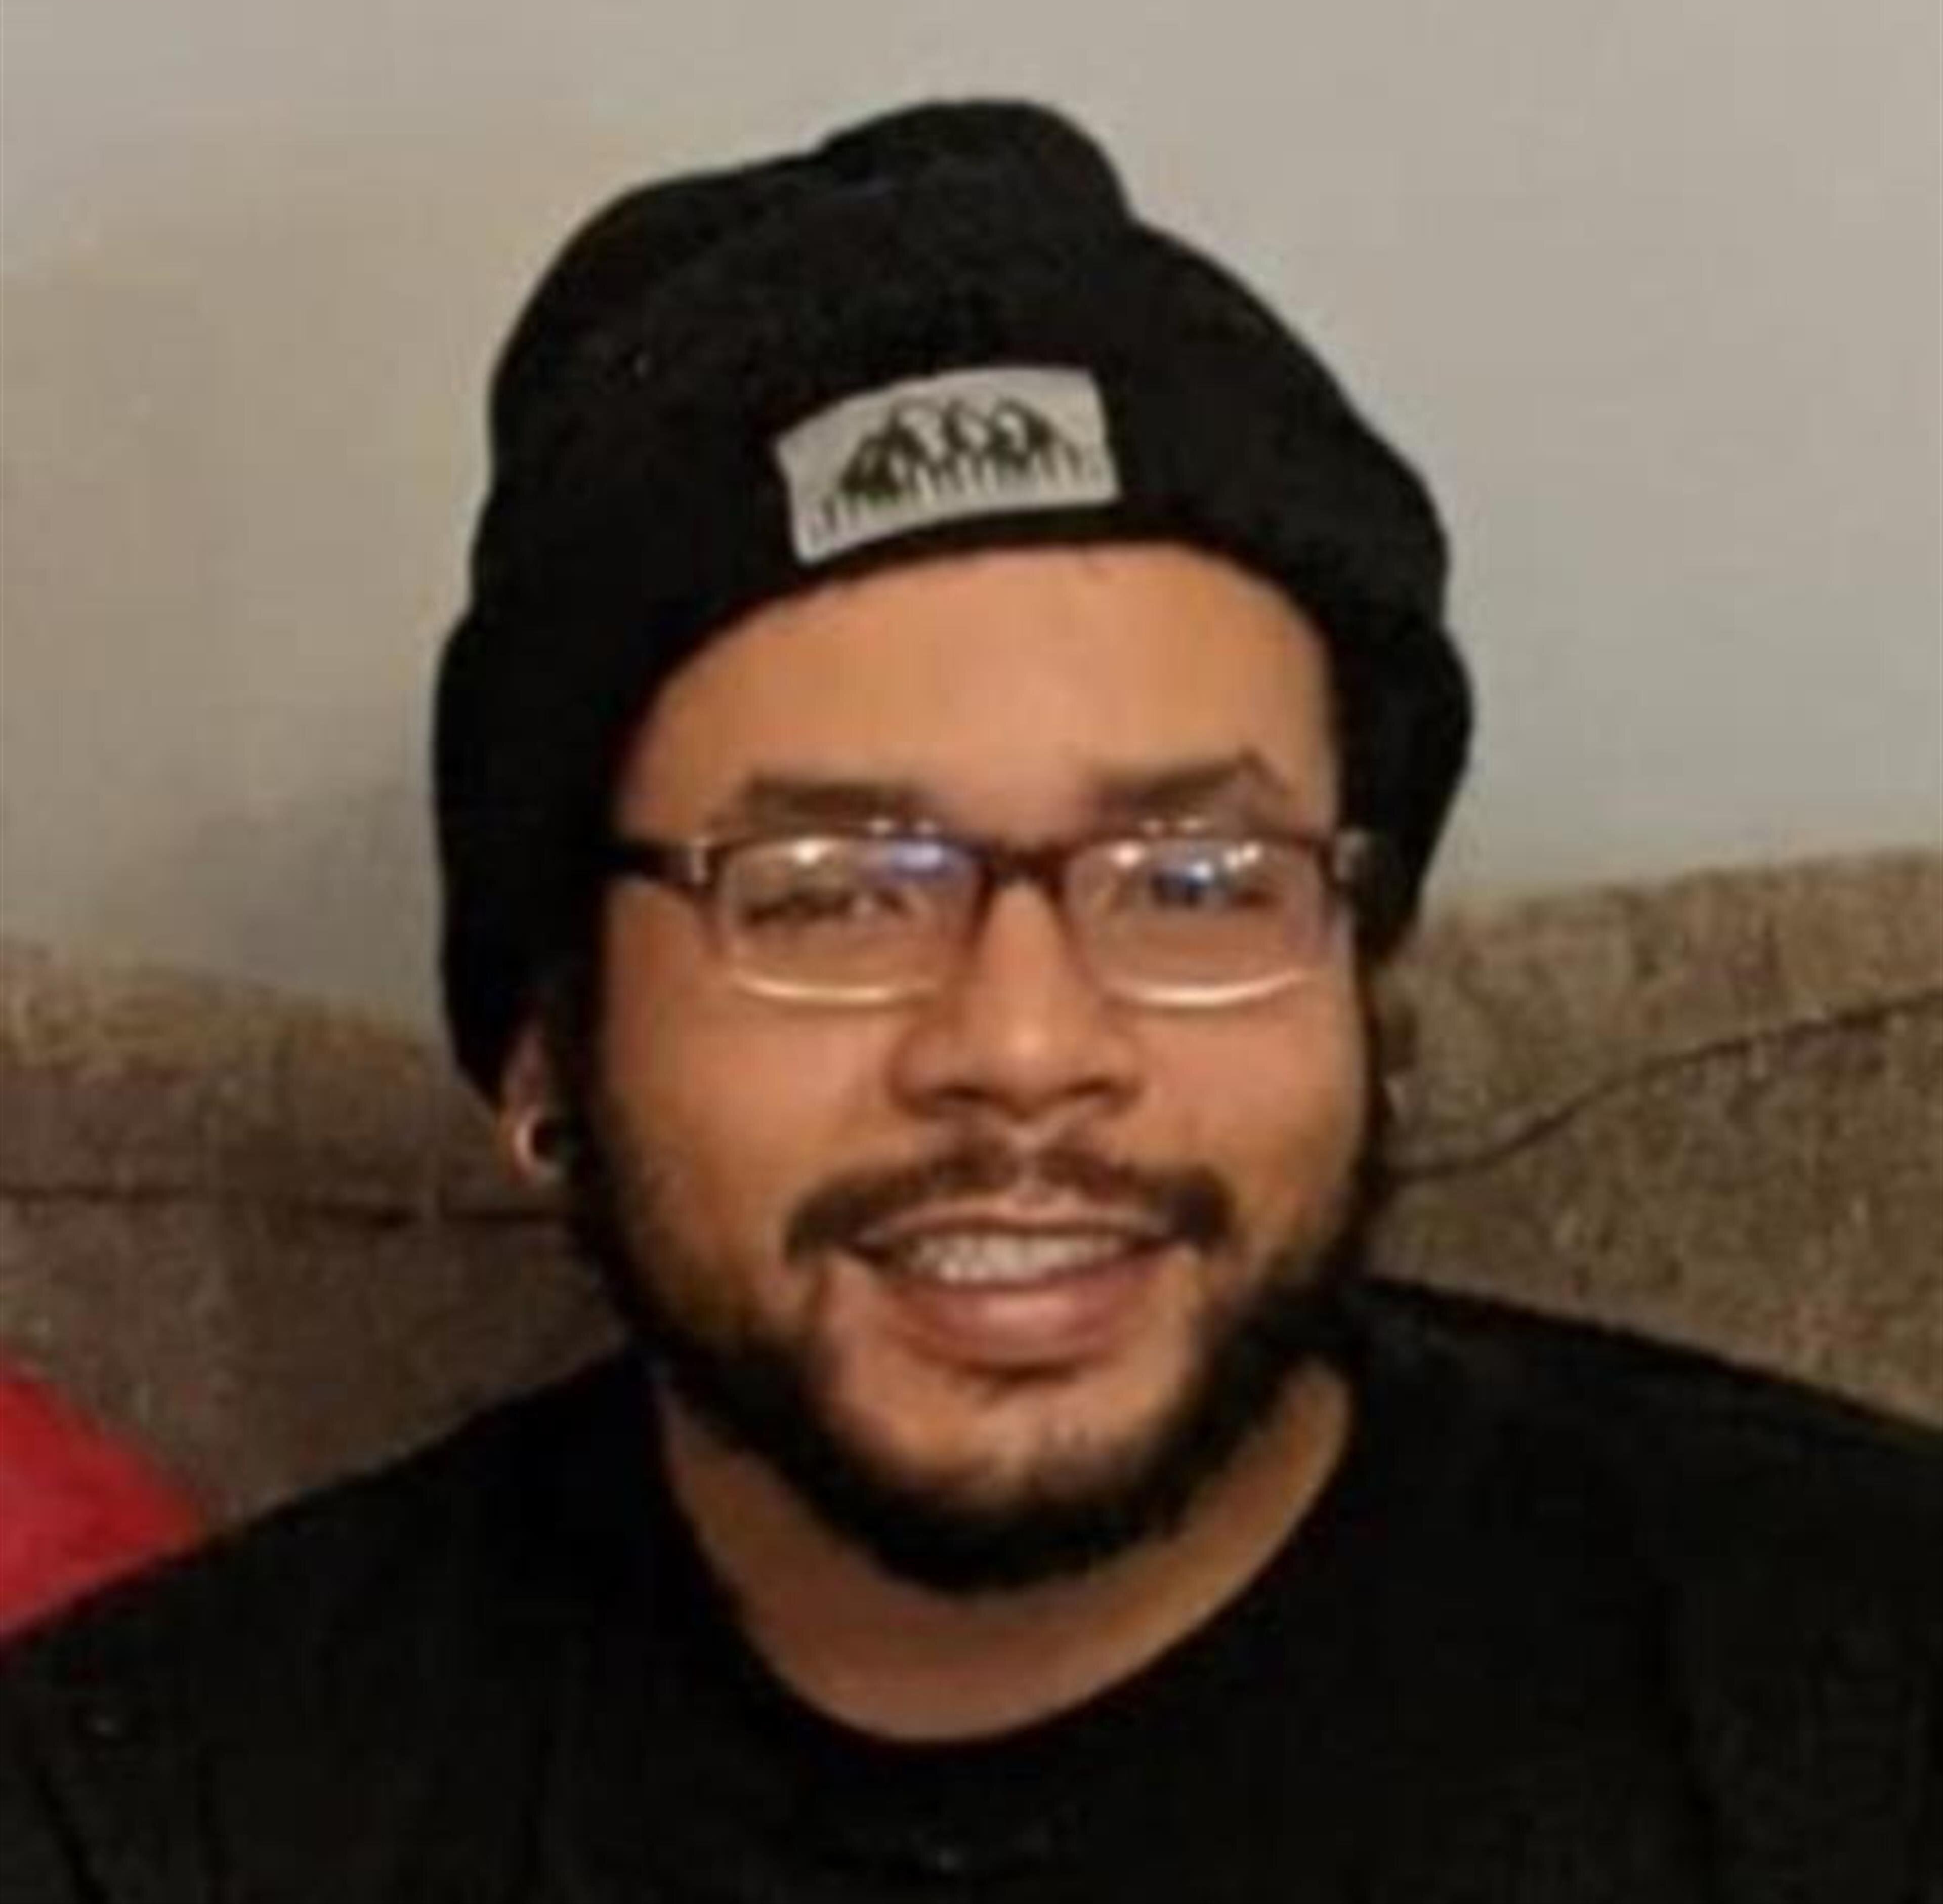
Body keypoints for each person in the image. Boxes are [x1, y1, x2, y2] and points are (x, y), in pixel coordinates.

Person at [2, 100, 1936, 1904]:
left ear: (1370, 982)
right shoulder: (158, 1812)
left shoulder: (1859, 1698)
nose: (1025, 1048)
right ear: (544, 1045)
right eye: (831, 894)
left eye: (1193, 884)